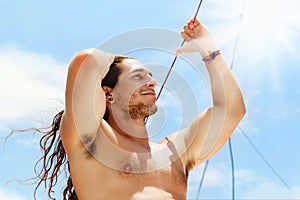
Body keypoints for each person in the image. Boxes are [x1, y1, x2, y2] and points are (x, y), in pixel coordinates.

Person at [31, 18, 246, 200]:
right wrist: (117, 60)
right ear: (108, 93)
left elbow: (232, 110)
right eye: (137, 76)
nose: (151, 82)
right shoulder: (94, 141)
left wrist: (210, 51)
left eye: (150, 76)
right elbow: (87, 61)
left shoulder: (174, 152)